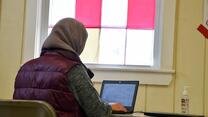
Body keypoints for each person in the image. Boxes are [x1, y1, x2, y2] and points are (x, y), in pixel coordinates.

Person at [13, 18, 127, 117]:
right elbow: (97, 111)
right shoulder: (72, 70)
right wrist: (110, 107)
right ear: (77, 42)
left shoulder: (24, 69)